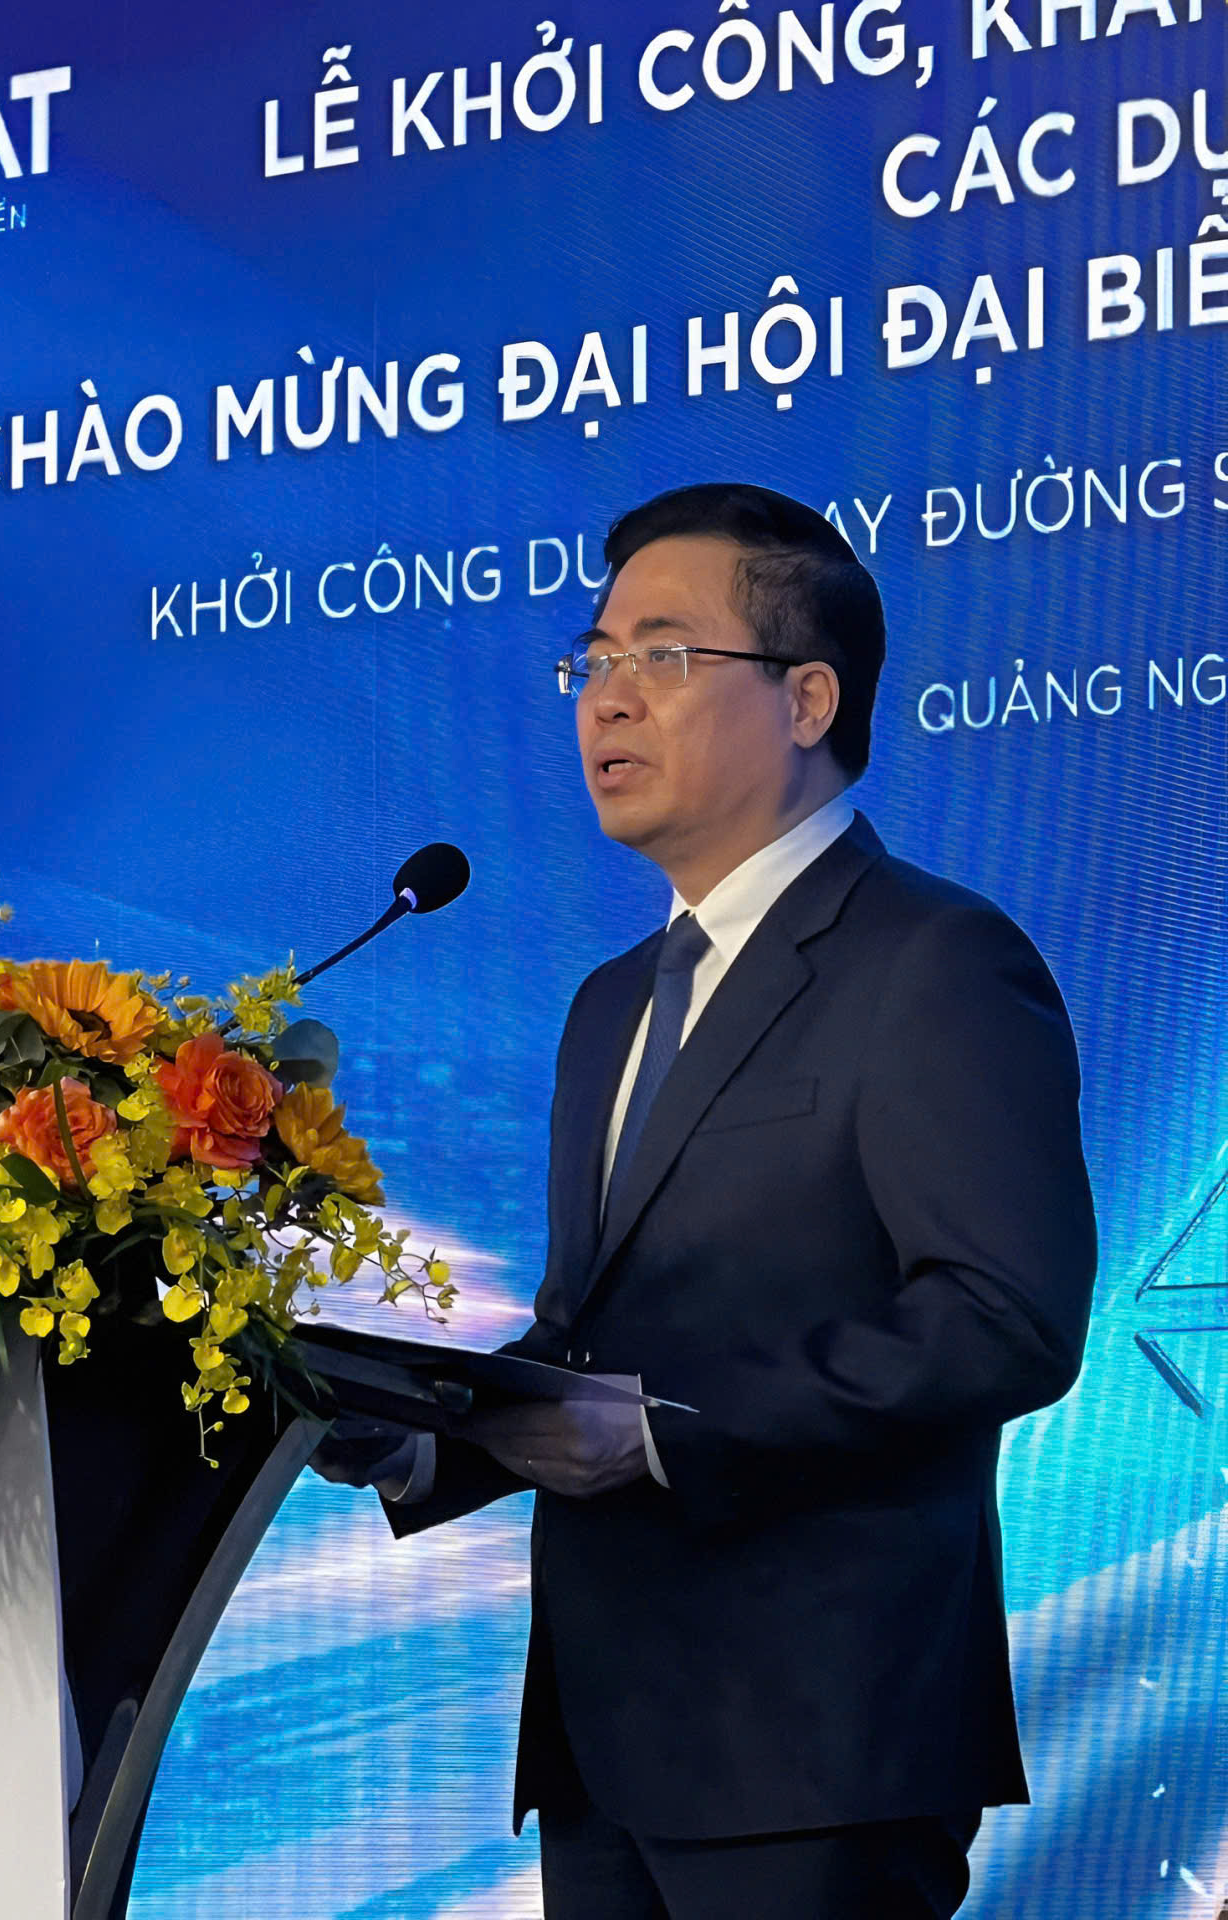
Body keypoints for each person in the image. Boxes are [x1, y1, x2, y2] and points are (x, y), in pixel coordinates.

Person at [331, 483, 1097, 1918]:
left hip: (817, 1746)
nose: (608, 698)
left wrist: (662, 1432)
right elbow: (586, 1344)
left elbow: (1001, 1319)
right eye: (593, 659)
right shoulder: (609, 1005)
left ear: (807, 700)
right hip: (603, 1738)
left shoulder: (933, 960)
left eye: (663, 656)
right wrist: (413, 1434)